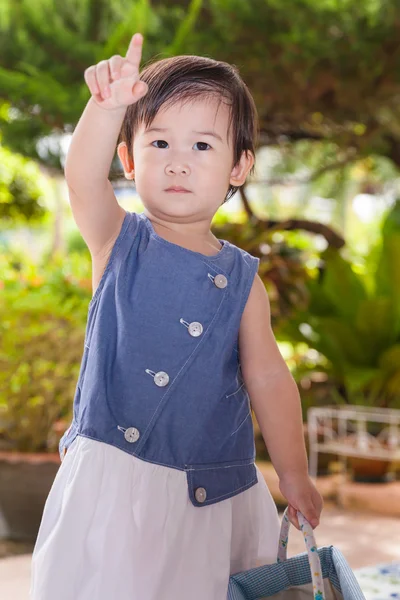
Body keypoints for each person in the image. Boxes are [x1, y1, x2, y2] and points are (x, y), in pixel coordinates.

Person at [30, 33, 323, 600]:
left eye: (203, 147)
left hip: (212, 493)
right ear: (128, 158)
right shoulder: (118, 239)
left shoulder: (244, 281)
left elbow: (268, 379)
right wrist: (107, 105)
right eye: (159, 142)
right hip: (119, 486)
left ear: (239, 166)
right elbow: (81, 178)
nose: (178, 163)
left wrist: (294, 473)